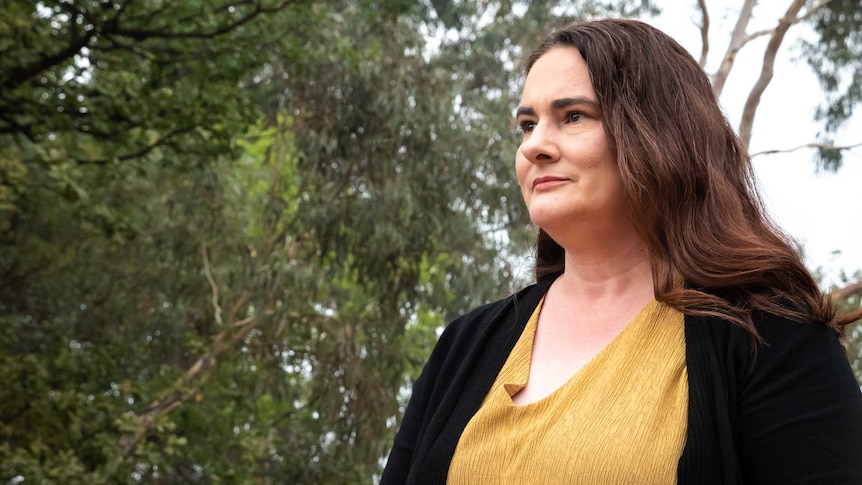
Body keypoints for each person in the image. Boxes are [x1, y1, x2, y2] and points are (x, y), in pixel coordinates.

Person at [381, 18, 862, 484]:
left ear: (658, 135)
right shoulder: (465, 345)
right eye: (527, 125)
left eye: (573, 116)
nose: (535, 147)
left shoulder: (767, 337)